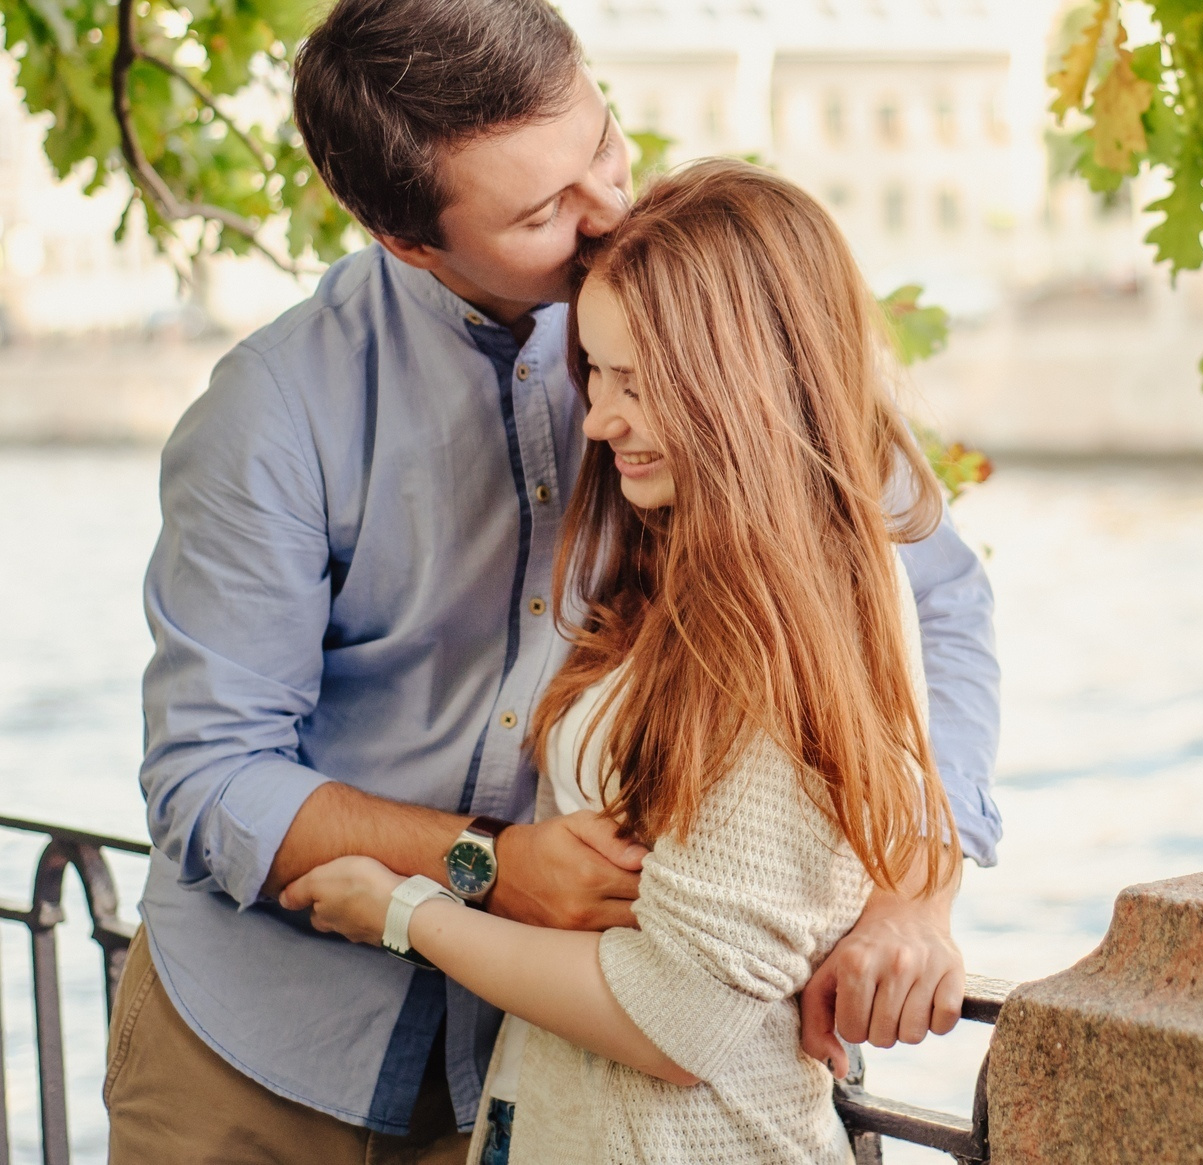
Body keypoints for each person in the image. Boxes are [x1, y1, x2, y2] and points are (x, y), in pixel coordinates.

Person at [107, 0, 1002, 1164]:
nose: (600, 216)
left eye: (606, 149)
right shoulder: (274, 414)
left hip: (565, 1061)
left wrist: (913, 890)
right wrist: (486, 866)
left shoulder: (710, 329)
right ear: (408, 240)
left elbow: (921, 602)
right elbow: (209, 778)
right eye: (537, 215)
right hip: (264, 1057)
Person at [283, 160, 957, 1164]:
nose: (598, 417)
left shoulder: (775, 623)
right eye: (594, 372)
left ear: (744, 378)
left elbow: (676, 1021)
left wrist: (405, 910)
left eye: (637, 382)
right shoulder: (693, 567)